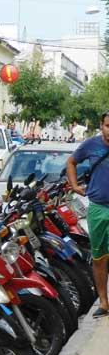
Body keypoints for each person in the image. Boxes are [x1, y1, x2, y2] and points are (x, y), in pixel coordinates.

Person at [67, 111, 109, 318]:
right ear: (101, 126)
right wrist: (74, 186)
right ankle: (103, 301)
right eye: (108, 126)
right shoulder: (91, 145)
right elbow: (71, 162)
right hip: (98, 208)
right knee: (100, 257)